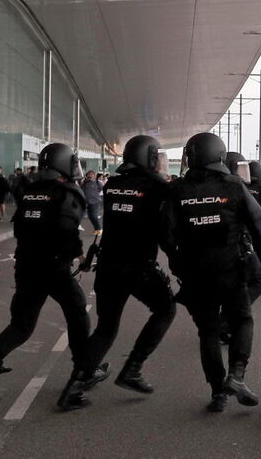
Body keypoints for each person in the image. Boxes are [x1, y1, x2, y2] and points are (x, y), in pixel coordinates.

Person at [0, 144, 92, 410]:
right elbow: (67, 229)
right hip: (54, 267)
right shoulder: (68, 192)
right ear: (66, 164)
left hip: (26, 265)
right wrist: (79, 256)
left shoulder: (31, 191)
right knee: (78, 312)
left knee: (22, 324)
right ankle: (84, 370)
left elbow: (21, 228)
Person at [160, 133, 261, 412]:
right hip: (231, 271)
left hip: (196, 275)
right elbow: (260, 229)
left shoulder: (178, 190)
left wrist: (178, 265)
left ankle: (217, 394)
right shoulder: (233, 186)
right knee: (243, 321)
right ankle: (236, 375)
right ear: (219, 156)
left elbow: (165, 235)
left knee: (208, 332)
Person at [82, 135, 176, 396]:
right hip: (138, 267)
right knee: (166, 310)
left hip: (108, 265)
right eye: (157, 158)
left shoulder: (113, 183)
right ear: (149, 158)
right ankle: (132, 369)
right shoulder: (157, 187)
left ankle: (76, 385)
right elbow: (166, 233)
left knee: (106, 327)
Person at [80, 170, 104, 234]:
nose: (90, 176)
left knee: (93, 215)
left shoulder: (97, 182)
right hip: (87, 201)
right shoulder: (85, 182)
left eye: (91, 174)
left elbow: (103, 189)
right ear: (87, 175)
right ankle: (97, 229)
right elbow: (81, 190)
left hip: (95, 201)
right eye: (89, 174)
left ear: (94, 175)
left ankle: (100, 229)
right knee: (90, 216)